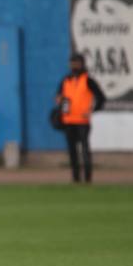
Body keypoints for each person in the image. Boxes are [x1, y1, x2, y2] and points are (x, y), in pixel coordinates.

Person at [56, 53, 106, 183]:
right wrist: (59, 101)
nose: (74, 65)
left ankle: (88, 178)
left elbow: (101, 97)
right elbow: (59, 96)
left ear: (82, 64)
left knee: (84, 149)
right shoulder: (66, 80)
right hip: (68, 121)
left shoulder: (88, 80)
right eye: (72, 63)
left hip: (82, 121)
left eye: (77, 63)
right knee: (72, 151)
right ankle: (76, 178)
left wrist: (92, 110)